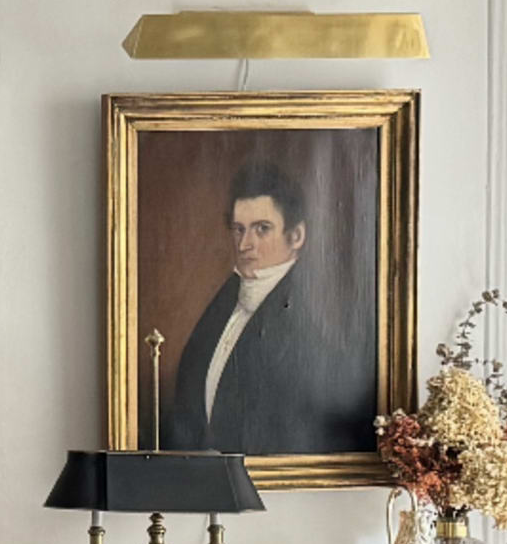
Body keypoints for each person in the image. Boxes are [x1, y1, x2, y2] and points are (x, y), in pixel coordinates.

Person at [156, 157, 372, 459]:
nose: (245, 244)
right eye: (239, 229)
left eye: (262, 229)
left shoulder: (313, 315)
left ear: (296, 236)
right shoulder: (224, 302)